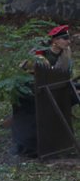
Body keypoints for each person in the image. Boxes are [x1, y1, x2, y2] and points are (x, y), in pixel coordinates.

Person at [12, 24, 76, 156]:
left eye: (68, 38)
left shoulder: (65, 54)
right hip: (30, 91)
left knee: (70, 97)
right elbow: (26, 76)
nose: (68, 41)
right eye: (64, 38)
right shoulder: (39, 55)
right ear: (55, 41)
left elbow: (66, 74)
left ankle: (60, 141)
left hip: (54, 87)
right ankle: (32, 147)